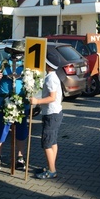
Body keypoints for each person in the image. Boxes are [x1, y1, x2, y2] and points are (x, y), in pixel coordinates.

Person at [0, 39, 28, 170]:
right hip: (4, 103)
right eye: (15, 51)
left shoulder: (27, 65)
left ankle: (20, 158)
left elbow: (36, 80)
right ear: (11, 51)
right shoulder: (3, 63)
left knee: (21, 132)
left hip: (21, 104)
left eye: (19, 51)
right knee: (0, 131)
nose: (16, 54)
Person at [30, 50, 63, 179]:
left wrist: (37, 101)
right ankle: (51, 166)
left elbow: (52, 97)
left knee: (47, 143)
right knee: (53, 141)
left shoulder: (50, 79)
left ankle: (52, 170)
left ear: (48, 65)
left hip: (51, 114)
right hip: (56, 113)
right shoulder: (53, 76)